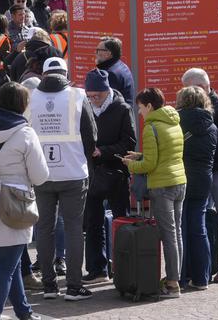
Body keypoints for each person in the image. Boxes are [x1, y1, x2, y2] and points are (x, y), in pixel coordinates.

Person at [0, 82, 49, 320]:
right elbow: (40, 176)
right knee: (4, 268)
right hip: (14, 203)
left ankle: (23, 311)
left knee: (8, 261)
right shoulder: (24, 132)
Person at [27, 57, 96, 302]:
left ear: (44, 74)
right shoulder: (77, 96)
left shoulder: (31, 97)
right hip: (73, 172)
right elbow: (91, 135)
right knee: (74, 227)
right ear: (66, 73)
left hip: (42, 173)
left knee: (44, 228)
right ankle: (74, 287)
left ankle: (48, 286)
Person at [124, 87, 187, 298]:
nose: (140, 112)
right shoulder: (173, 122)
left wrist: (130, 165)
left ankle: (172, 284)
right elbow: (166, 153)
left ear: (149, 106)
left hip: (162, 186)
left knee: (168, 235)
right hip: (179, 181)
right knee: (176, 232)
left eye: (141, 108)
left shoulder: (151, 128)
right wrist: (140, 155)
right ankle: (175, 278)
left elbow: (150, 165)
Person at [182, 68, 218, 283]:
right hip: (204, 171)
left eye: (189, 89)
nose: (187, 93)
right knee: (204, 217)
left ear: (202, 87)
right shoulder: (193, 108)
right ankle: (206, 264)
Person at [82, 68, 136, 283]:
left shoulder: (122, 109)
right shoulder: (83, 106)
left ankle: (122, 266)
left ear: (107, 92)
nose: (94, 100)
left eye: (98, 96)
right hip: (92, 173)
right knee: (92, 222)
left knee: (120, 219)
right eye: (90, 96)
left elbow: (129, 143)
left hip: (116, 172)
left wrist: (102, 151)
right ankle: (97, 268)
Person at [176, 87, 218, 293]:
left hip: (182, 177)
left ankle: (181, 277)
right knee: (199, 228)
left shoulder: (176, 123)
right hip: (203, 180)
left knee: (180, 229)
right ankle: (202, 278)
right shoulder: (212, 127)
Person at [95, 36, 135, 105]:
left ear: (108, 54)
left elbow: (105, 103)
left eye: (98, 50)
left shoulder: (110, 73)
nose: (96, 53)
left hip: (118, 115)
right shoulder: (121, 66)